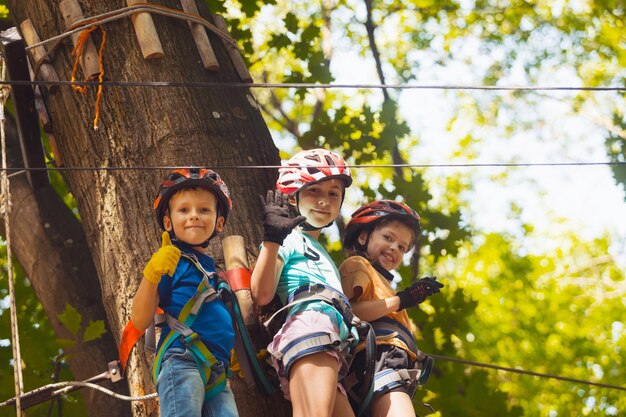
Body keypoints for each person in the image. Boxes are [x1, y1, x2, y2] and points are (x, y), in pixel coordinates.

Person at [251, 148, 358, 417]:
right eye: (314, 191)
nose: (324, 201)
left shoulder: (324, 255)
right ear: (294, 196)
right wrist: (272, 239)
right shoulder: (290, 239)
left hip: (332, 343)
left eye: (333, 193)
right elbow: (261, 293)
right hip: (311, 327)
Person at [131, 168, 239, 417]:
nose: (194, 216)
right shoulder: (170, 261)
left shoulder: (213, 273)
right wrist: (152, 274)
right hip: (183, 359)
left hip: (217, 372)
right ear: (168, 222)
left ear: (219, 222)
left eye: (204, 210)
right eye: (184, 210)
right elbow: (139, 319)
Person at [339, 200, 443, 417]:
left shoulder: (385, 287)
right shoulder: (358, 265)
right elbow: (347, 312)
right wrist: (401, 300)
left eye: (402, 247)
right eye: (388, 238)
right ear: (363, 237)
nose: (395, 248)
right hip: (377, 361)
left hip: (391, 364)